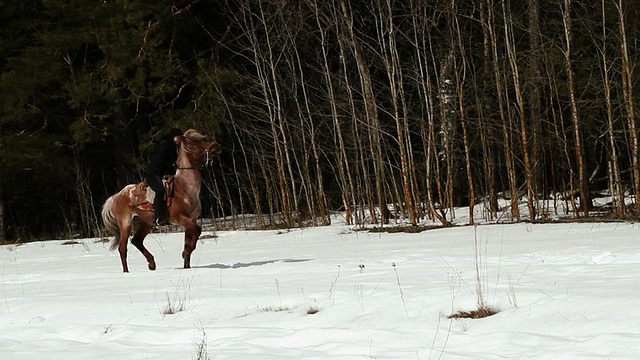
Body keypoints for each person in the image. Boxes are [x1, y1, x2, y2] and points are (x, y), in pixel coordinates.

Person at [146, 128, 182, 226]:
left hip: (164, 173)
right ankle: (158, 216)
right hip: (154, 173)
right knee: (160, 190)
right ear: (174, 137)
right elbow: (161, 160)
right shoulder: (165, 145)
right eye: (178, 137)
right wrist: (171, 166)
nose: (180, 140)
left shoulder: (174, 147)